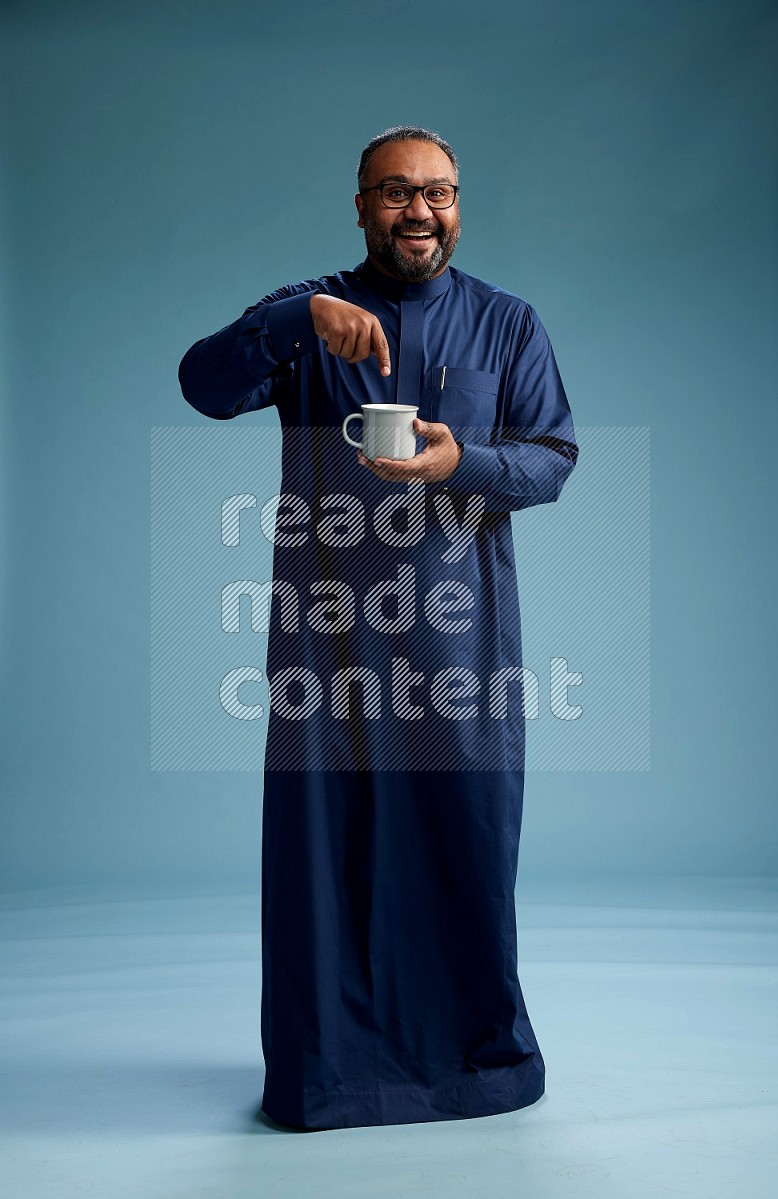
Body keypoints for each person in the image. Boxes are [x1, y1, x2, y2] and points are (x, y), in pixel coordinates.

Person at [178, 125, 579, 1130]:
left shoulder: (505, 323)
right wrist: (288, 320)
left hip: (461, 645)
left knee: (465, 846)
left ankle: (477, 1067)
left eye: (436, 192)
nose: (418, 211)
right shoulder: (311, 314)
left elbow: (550, 456)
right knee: (328, 854)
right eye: (395, 193)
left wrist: (464, 466)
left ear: (457, 204)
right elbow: (202, 383)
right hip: (329, 643)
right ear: (358, 207)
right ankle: (328, 1074)